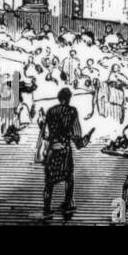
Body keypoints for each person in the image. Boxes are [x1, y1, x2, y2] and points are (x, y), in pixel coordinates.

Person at [40, 88, 89, 220]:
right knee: (68, 178)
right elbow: (77, 134)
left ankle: (47, 207)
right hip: (65, 150)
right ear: (68, 98)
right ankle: (68, 204)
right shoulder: (72, 111)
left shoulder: (50, 111)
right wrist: (84, 140)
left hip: (52, 149)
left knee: (49, 181)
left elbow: (45, 134)